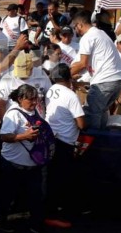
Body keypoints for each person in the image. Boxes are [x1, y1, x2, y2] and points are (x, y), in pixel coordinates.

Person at [0, 84, 47, 233]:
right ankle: (1, 219)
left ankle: (35, 224)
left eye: (35, 99)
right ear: (20, 99)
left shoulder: (34, 111)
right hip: (13, 164)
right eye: (30, 100)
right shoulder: (13, 114)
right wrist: (25, 136)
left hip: (33, 163)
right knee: (7, 195)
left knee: (35, 196)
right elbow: (4, 137)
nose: (33, 103)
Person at [44, 64, 86, 228]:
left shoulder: (51, 89)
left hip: (50, 138)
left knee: (51, 177)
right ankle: (51, 214)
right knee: (60, 180)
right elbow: (82, 124)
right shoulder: (71, 95)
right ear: (69, 79)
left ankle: (50, 211)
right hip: (65, 142)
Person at [70, 10, 121, 129]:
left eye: (75, 26)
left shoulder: (87, 37)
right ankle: (102, 138)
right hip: (118, 79)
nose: (75, 30)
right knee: (102, 111)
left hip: (105, 81)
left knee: (92, 112)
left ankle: (93, 141)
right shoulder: (101, 33)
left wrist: (64, 76)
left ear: (80, 24)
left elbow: (82, 63)